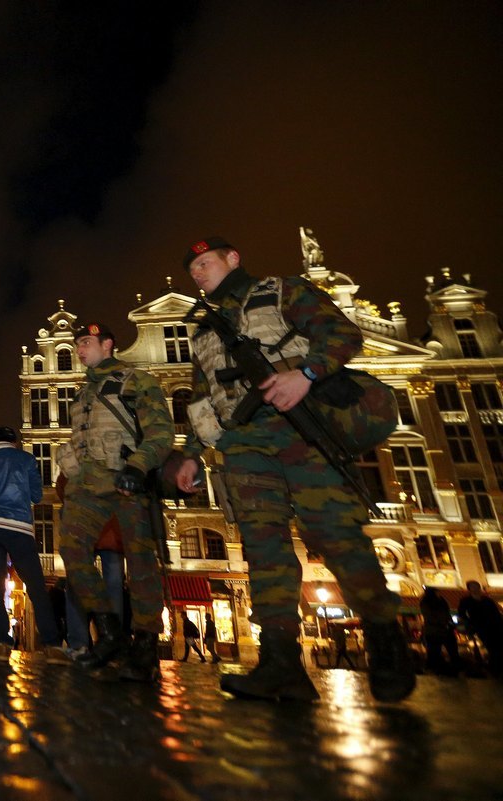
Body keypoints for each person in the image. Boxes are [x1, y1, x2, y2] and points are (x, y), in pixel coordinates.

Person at [173, 236, 414, 702]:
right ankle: (281, 661)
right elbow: (201, 398)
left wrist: (305, 375)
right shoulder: (203, 330)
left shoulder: (282, 290)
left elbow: (342, 334)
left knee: (336, 534)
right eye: (193, 269)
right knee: (262, 548)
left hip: (300, 430)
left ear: (233, 258)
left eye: (205, 263)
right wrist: (190, 452)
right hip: (242, 444)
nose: (198, 273)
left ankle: (387, 642)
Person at [57, 322, 175, 682]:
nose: (79, 349)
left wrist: (138, 467)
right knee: (71, 548)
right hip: (89, 487)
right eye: (77, 343)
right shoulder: (83, 393)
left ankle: (146, 648)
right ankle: (110, 634)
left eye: (86, 342)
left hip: (127, 483)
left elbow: (161, 432)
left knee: (141, 565)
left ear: (107, 344)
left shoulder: (135, 380)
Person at [0, 425, 68, 662]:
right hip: (19, 527)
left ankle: (2, 642)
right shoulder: (26, 460)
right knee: (36, 586)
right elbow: (36, 495)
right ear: (14, 442)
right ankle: (52, 645)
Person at [55, 472, 126, 658]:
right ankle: (113, 643)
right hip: (112, 526)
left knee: (77, 584)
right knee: (114, 587)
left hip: (82, 529)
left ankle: (79, 643)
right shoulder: (115, 459)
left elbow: (62, 486)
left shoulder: (78, 459)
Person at [458, 580, 503, 676]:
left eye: (476, 586)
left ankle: (496, 667)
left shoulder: (487, 600)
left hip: (495, 626)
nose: (475, 588)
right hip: (481, 626)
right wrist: (470, 622)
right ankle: (495, 668)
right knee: (491, 646)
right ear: (469, 589)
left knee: (498, 647)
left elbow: (496, 613)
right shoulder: (466, 601)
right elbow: (461, 613)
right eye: (472, 586)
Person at [420, 586, 460, 675]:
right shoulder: (426, 602)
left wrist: (450, 623)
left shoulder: (442, 601)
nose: (439, 593)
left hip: (443, 629)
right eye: (437, 592)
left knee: (451, 650)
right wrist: (444, 623)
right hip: (435, 630)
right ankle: (435, 669)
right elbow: (429, 616)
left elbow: (447, 613)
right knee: (434, 651)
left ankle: (454, 667)